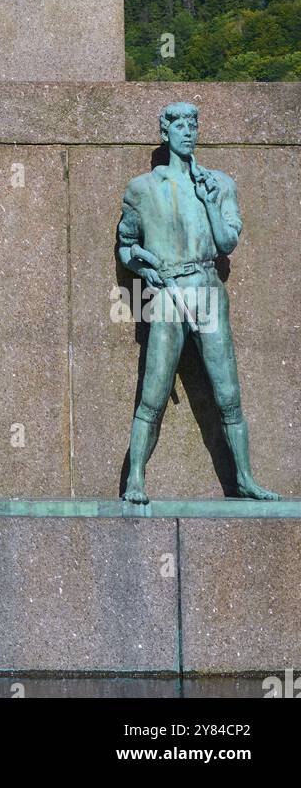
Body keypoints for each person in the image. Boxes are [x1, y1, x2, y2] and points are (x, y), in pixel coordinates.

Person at [118, 102, 280, 505]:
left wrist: (209, 201)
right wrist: (145, 269)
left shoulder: (220, 184)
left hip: (207, 288)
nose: (188, 132)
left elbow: (227, 243)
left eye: (193, 125)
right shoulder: (143, 188)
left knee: (228, 393)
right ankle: (135, 479)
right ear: (165, 132)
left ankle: (244, 478)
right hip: (168, 292)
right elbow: (126, 246)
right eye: (179, 126)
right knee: (153, 392)